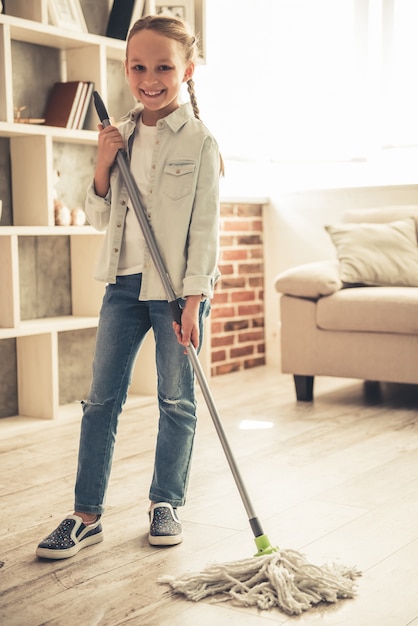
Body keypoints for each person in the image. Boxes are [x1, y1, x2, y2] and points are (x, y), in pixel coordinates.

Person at [36, 14, 221, 559]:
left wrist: (193, 302)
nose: (150, 77)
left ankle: (166, 502)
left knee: (175, 398)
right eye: (139, 66)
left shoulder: (201, 142)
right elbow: (98, 216)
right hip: (122, 285)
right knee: (100, 401)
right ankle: (85, 514)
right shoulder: (122, 133)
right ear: (126, 68)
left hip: (175, 293)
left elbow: (206, 232)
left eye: (164, 66)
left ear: (186, 71)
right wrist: (102, 160)